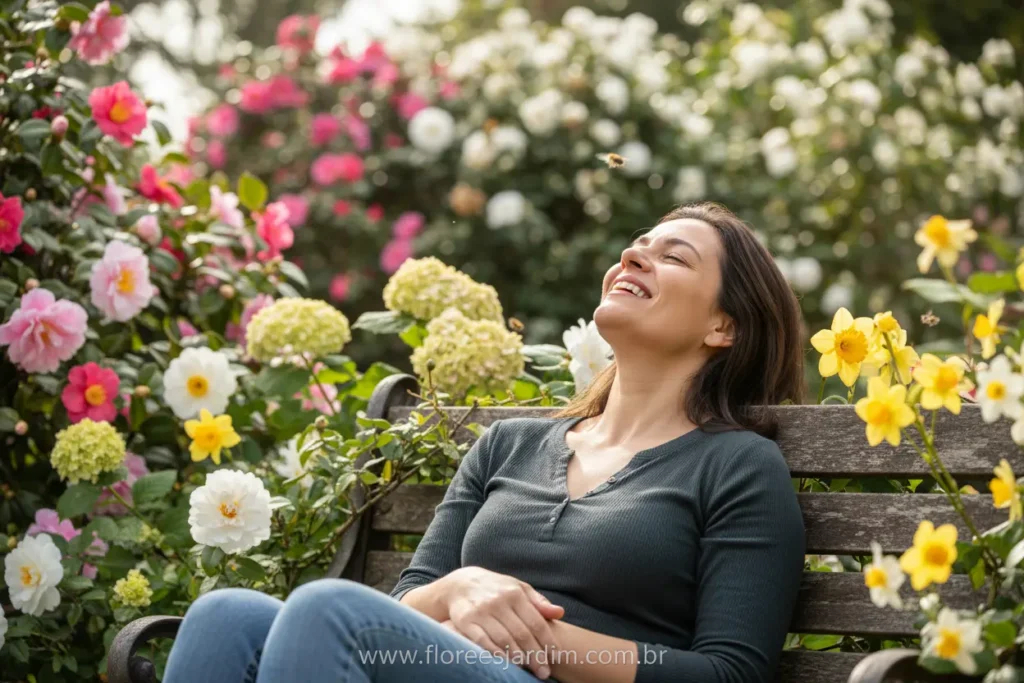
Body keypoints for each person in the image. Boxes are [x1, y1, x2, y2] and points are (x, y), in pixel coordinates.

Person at [163, 201, 807, 683]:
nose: (632, 258)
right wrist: (456, 590)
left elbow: (731, 673)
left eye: (674, 257)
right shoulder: (508, 445)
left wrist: (538, 640)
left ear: (723, 326)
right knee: (225, 617)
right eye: (637, 247)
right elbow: (407, 603)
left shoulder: (737, 465)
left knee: (326, 610)